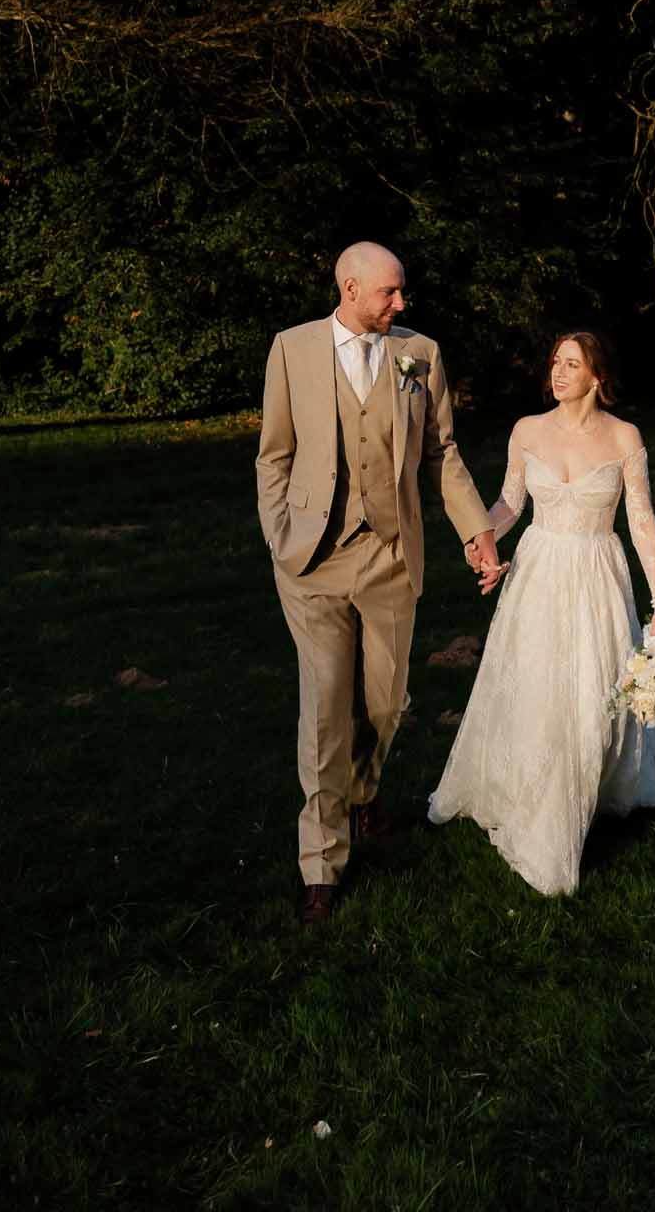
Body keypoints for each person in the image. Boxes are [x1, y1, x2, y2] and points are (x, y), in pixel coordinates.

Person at [257, 241, 502, 926]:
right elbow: (273, 455)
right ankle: (321, 863)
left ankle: (363, 789)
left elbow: (442, 453)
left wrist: (476, 531)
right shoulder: (292, 349)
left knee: (386, 703)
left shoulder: (418, 353)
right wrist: (280, 535)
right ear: (350, 289)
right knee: (325, 710)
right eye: (389, 292)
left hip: (392, 557)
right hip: (313, 562)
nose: (401, 302)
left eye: (401, 291)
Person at [428, 330, 655, 896]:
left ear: (597, 377)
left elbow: (642, 522)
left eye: (572, 364)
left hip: (596, 575)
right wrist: (481, 540)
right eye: (556, 362)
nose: (558, 373)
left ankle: (585, 791)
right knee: (538, 686)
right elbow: (510, 503)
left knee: (592, 691)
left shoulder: (624, 437)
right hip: (537, 573)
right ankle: (533, 794)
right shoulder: (527, 430)